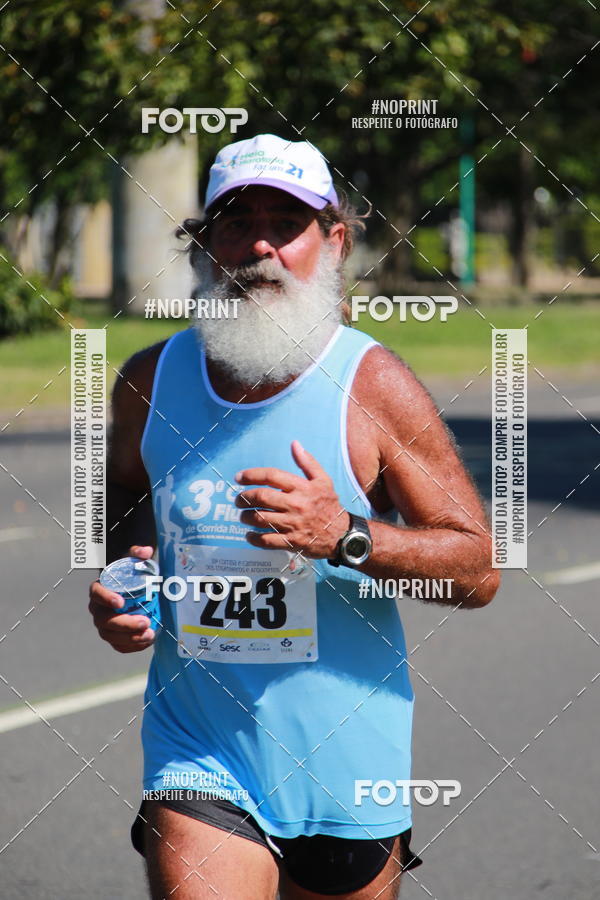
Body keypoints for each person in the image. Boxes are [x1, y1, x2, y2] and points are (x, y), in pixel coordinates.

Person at [89, 133, 499, 899]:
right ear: (205, 244)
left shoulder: (371, 385)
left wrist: (344, 535)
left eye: (287, 224)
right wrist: (125, 584)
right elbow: (128, 501)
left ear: (333, 242)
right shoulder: (148, 379)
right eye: (238, 224)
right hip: (199, 750)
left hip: (348, 759)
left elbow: (477, 571)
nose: (260, 247)